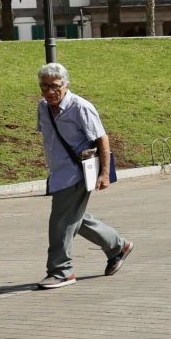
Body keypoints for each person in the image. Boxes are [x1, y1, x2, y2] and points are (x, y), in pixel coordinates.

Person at [36, 62, 133, 291]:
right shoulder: (42, 107)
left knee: (60, 223)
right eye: (45, 86)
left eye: (55, 86)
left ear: (66, 85)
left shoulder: (80, 107)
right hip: (58, 173)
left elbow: (102, 139)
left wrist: (104, 174)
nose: (50, 91)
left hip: (78, 173)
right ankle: (117, 246)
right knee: (75, 219)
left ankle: (61, 271)